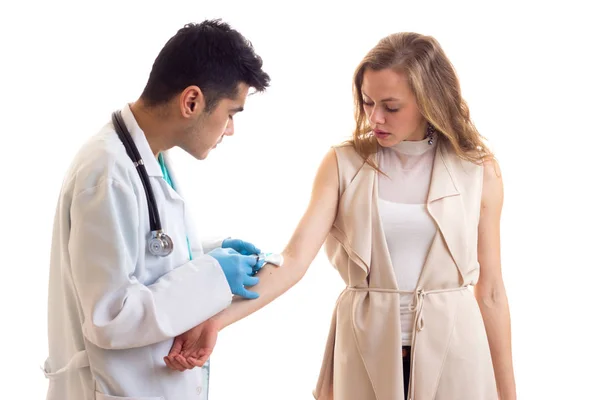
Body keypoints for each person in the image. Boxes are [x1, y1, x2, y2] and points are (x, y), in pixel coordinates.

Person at [166, 31, 517, 400]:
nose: (375, 117)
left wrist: (509, 395)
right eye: (367, 102)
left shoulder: (478, 170)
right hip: (365, 350)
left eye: (391, 106)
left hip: (459, 353)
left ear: (430, 101)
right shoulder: (342, 163)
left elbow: (491, 291)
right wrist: (217, 320)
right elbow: (293, 261)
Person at [42, 20, 271, 400]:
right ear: (192, 101)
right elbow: (111, 316)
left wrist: (208, 251)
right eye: (231, 113)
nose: (229, 130)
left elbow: (144, 252)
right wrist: (213, 275)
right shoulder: (107, 173)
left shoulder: (147, 157)